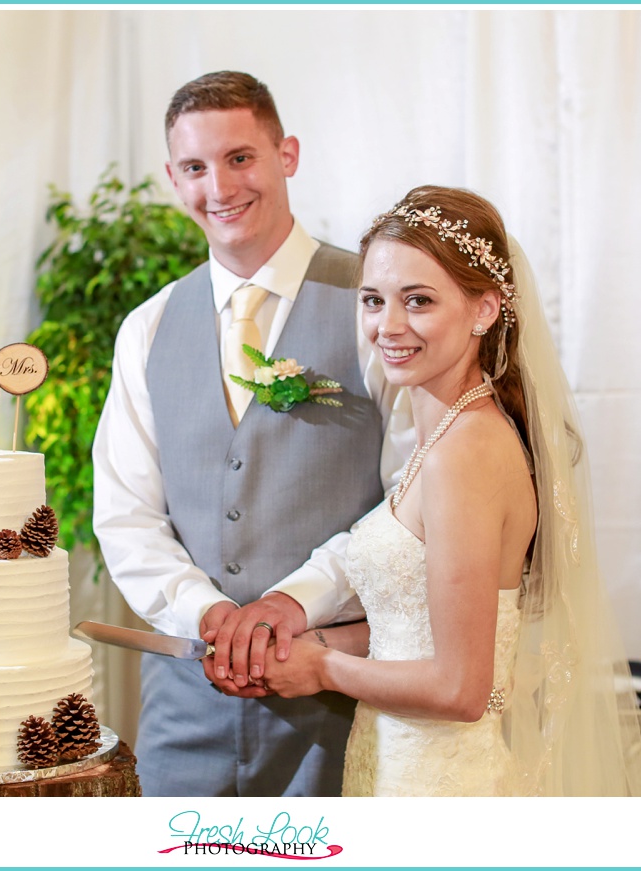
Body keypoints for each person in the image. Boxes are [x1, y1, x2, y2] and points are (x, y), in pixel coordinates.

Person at [259, 186, 641, 796]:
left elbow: (460, 688)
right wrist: (314, 639)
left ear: (483, 310)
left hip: (439, 784)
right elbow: (422, 623)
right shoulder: (449, 432)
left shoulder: (465, 453)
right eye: (373, 300)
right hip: (400, 760)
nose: (388, 325)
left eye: (418, 301)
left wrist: (323, 669)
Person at [92, 71, 412, 797]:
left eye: (241, 158)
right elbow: (125, 512)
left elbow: (414, 500)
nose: (220, 187)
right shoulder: (146, 328)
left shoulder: (376, 304)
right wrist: (206, 612)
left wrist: (298, 601)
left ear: (286, 154)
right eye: (196, 168)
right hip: (184, 706)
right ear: (174, 179)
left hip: (342, 698)